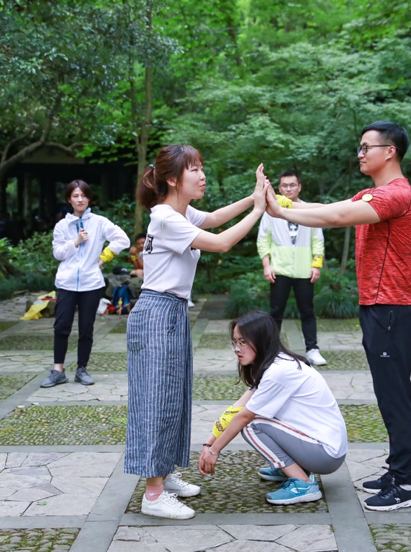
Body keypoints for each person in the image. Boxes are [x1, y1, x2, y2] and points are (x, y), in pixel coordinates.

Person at [265, 121, 411, 512]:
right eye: (360, 147)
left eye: (367, 147)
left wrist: (280, 209)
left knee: (396, 398)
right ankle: (396, 471)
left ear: (390, 151)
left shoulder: (397, 194)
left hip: (392, 309)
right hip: (379, 307)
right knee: (389, 395)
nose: (360, 153)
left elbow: (335, 218)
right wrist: (281, 204)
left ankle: (406, 484)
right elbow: (323, 209)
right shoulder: (372, 193)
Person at [126, 145, 270, 520]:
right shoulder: (164, 218)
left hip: (171, 311)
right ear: (174, 179)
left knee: (175, 397)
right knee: (157, 401)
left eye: (202, 167)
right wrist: (258, 210)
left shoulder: (180, 212)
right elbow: (221, 242)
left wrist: (253, 196)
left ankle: (164, 474)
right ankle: (153, 494)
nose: (202, 175)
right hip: (157, 313)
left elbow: (216, 218)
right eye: (194, 169)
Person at [198, 311, 347, 505]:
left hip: (325, 453)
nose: (237, 349)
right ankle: (290, 468)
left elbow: (244, 417)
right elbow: (235, 410)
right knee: (253, 417)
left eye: (243, 342)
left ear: (261, 341)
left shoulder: (279, 371)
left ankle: (303, 484)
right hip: (319, 445)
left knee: (251, 424)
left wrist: (214, 451)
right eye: (234, 342)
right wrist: (208, 444)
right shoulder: (273, 364)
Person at [42, 180, 130, 388]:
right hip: (66, 283)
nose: (80, 199)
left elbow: (123, 239)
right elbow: (58, 253)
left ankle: (82, 369)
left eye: (83, 195)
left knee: (86, 328)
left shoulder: (99, 222)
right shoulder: (62, 225)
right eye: (75, 196)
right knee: (61, 326)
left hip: (91, 283)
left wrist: (104, 257)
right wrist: (75, 242)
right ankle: (58, 370)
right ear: (69, 199)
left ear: (89, 198)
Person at [257, 170, 327, 366]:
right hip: (280, 268)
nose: (288, 189)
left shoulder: (309, 209)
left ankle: (312, 349)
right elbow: (263, 239)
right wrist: (266, 265)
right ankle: (271, 351)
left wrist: (316, 265)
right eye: (284, 186)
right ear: (279, 188)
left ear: (299, 187)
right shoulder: (271, 211)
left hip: (304, 269)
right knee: (276, 311)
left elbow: (318, 239)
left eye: (292, 185)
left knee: (307, 311)